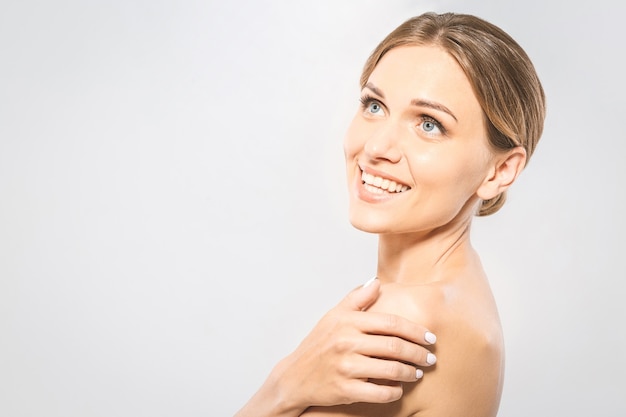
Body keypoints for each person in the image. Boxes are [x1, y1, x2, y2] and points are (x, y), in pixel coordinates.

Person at [236, 11, 545, 417]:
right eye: (374, 105)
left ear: (499, 171)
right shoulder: (464, 291)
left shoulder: (402, 322)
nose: (378, 146)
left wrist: (283, 386)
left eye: (429, 124)